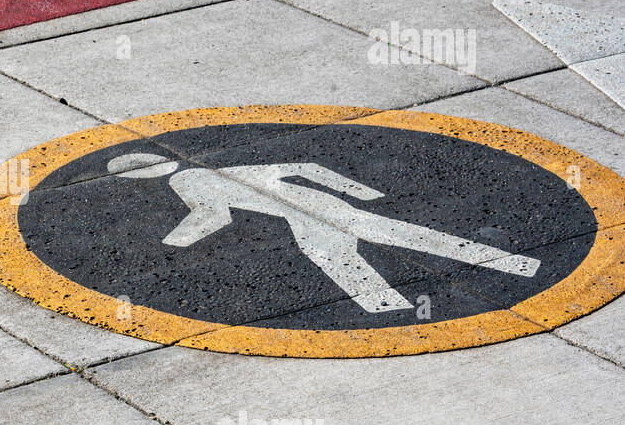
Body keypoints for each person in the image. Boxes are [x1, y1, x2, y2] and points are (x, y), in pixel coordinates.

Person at [108, 153, 540, 313]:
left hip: (308, 213)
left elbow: (214, 216)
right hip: (314, 209)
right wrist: (360, 192)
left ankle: (390, 308)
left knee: (356, 251)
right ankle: (513, 264)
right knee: (389, 239)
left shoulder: (188, 182)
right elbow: (304, 168)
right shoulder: (219, 168)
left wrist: (170, 246)